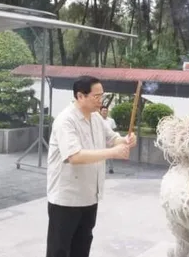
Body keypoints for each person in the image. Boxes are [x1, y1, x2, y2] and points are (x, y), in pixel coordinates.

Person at [46, 76, 136, 257]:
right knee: (60, 250)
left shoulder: (96, 118)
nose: (100, 101)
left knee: (82, 246)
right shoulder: (66, 121)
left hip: (89, 196)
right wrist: (113, 153)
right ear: (80, 96)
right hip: (67, 199)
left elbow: (113, 138)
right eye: (96, 96)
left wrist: (126, 140)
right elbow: (75, 156)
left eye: (101, 95)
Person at [99, 106, 117, 174]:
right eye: (103, 111)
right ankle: (101, 169)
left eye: (106, 111)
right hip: (100, 140)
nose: (105, 112)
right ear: (100, 112)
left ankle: (111, 168)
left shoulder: (111, 120)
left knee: (110, 155)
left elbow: (114, 129)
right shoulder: (98, 120)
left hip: (109, 140)